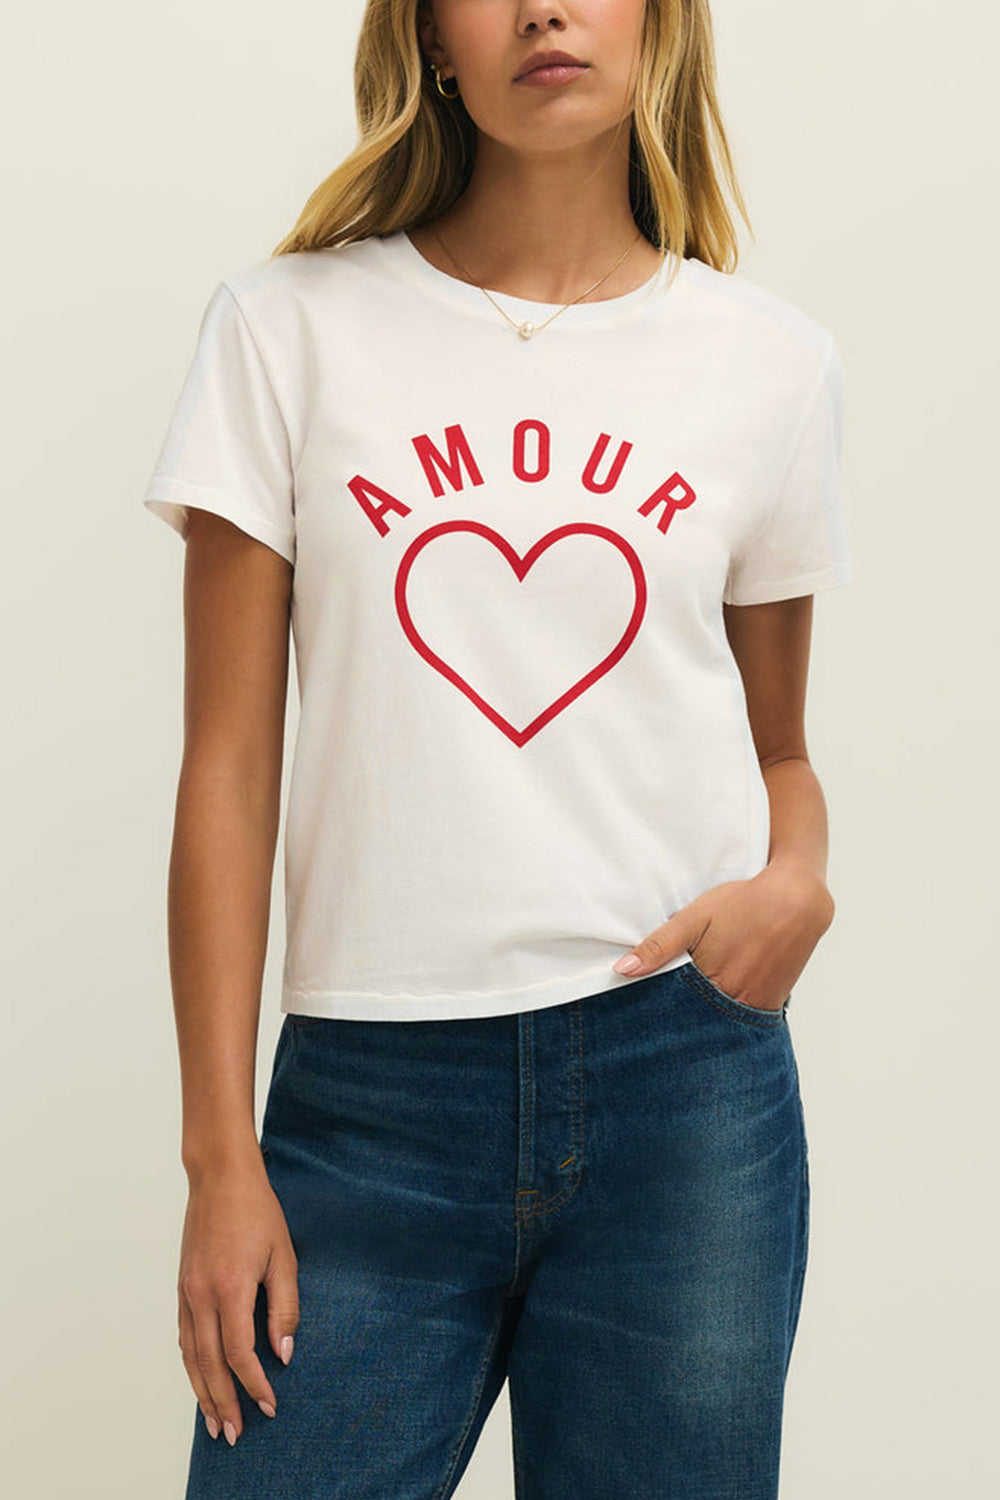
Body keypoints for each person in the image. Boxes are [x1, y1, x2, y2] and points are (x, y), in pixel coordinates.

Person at [140, 1, 853, 1496]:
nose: (544, 7)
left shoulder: (768, 365)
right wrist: (220, 1157)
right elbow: (226, 768)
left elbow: (779, 744)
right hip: (367, 1108)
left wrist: (800, 877)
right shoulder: (285, 329)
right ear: (429, 41)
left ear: (662, 26)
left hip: (687, 1086)